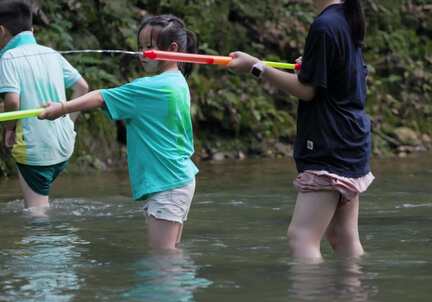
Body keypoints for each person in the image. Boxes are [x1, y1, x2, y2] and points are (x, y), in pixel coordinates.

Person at [227, 0, 374, 261]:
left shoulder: (325, 25)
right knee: (343, 236)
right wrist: (313, 65)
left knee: (302, 237)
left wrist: (256, 67)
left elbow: (307, 91)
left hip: (330, 144)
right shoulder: (346, 17)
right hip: (351, 141)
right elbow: (352, 75)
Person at [39, 15, 199, 250]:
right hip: (177, 179)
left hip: (168, 183)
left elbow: (101, 96)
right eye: (140, 47)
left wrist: (60, 108)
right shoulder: (177, 82)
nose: (142, 53)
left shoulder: (153, 87)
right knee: (170, 253)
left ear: (172, 48)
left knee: (162, 259)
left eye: (149, 47)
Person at [0, 0, 89, 216]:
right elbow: (82, 87)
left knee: (36, 213)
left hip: (34, 148)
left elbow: (12, 102)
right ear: (32, 29)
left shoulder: (8, 57)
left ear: (1, 31)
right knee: (41, 203)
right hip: (64, 144)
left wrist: (9, 130)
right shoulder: (50, 53)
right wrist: (68, 122)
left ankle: (49, 249)